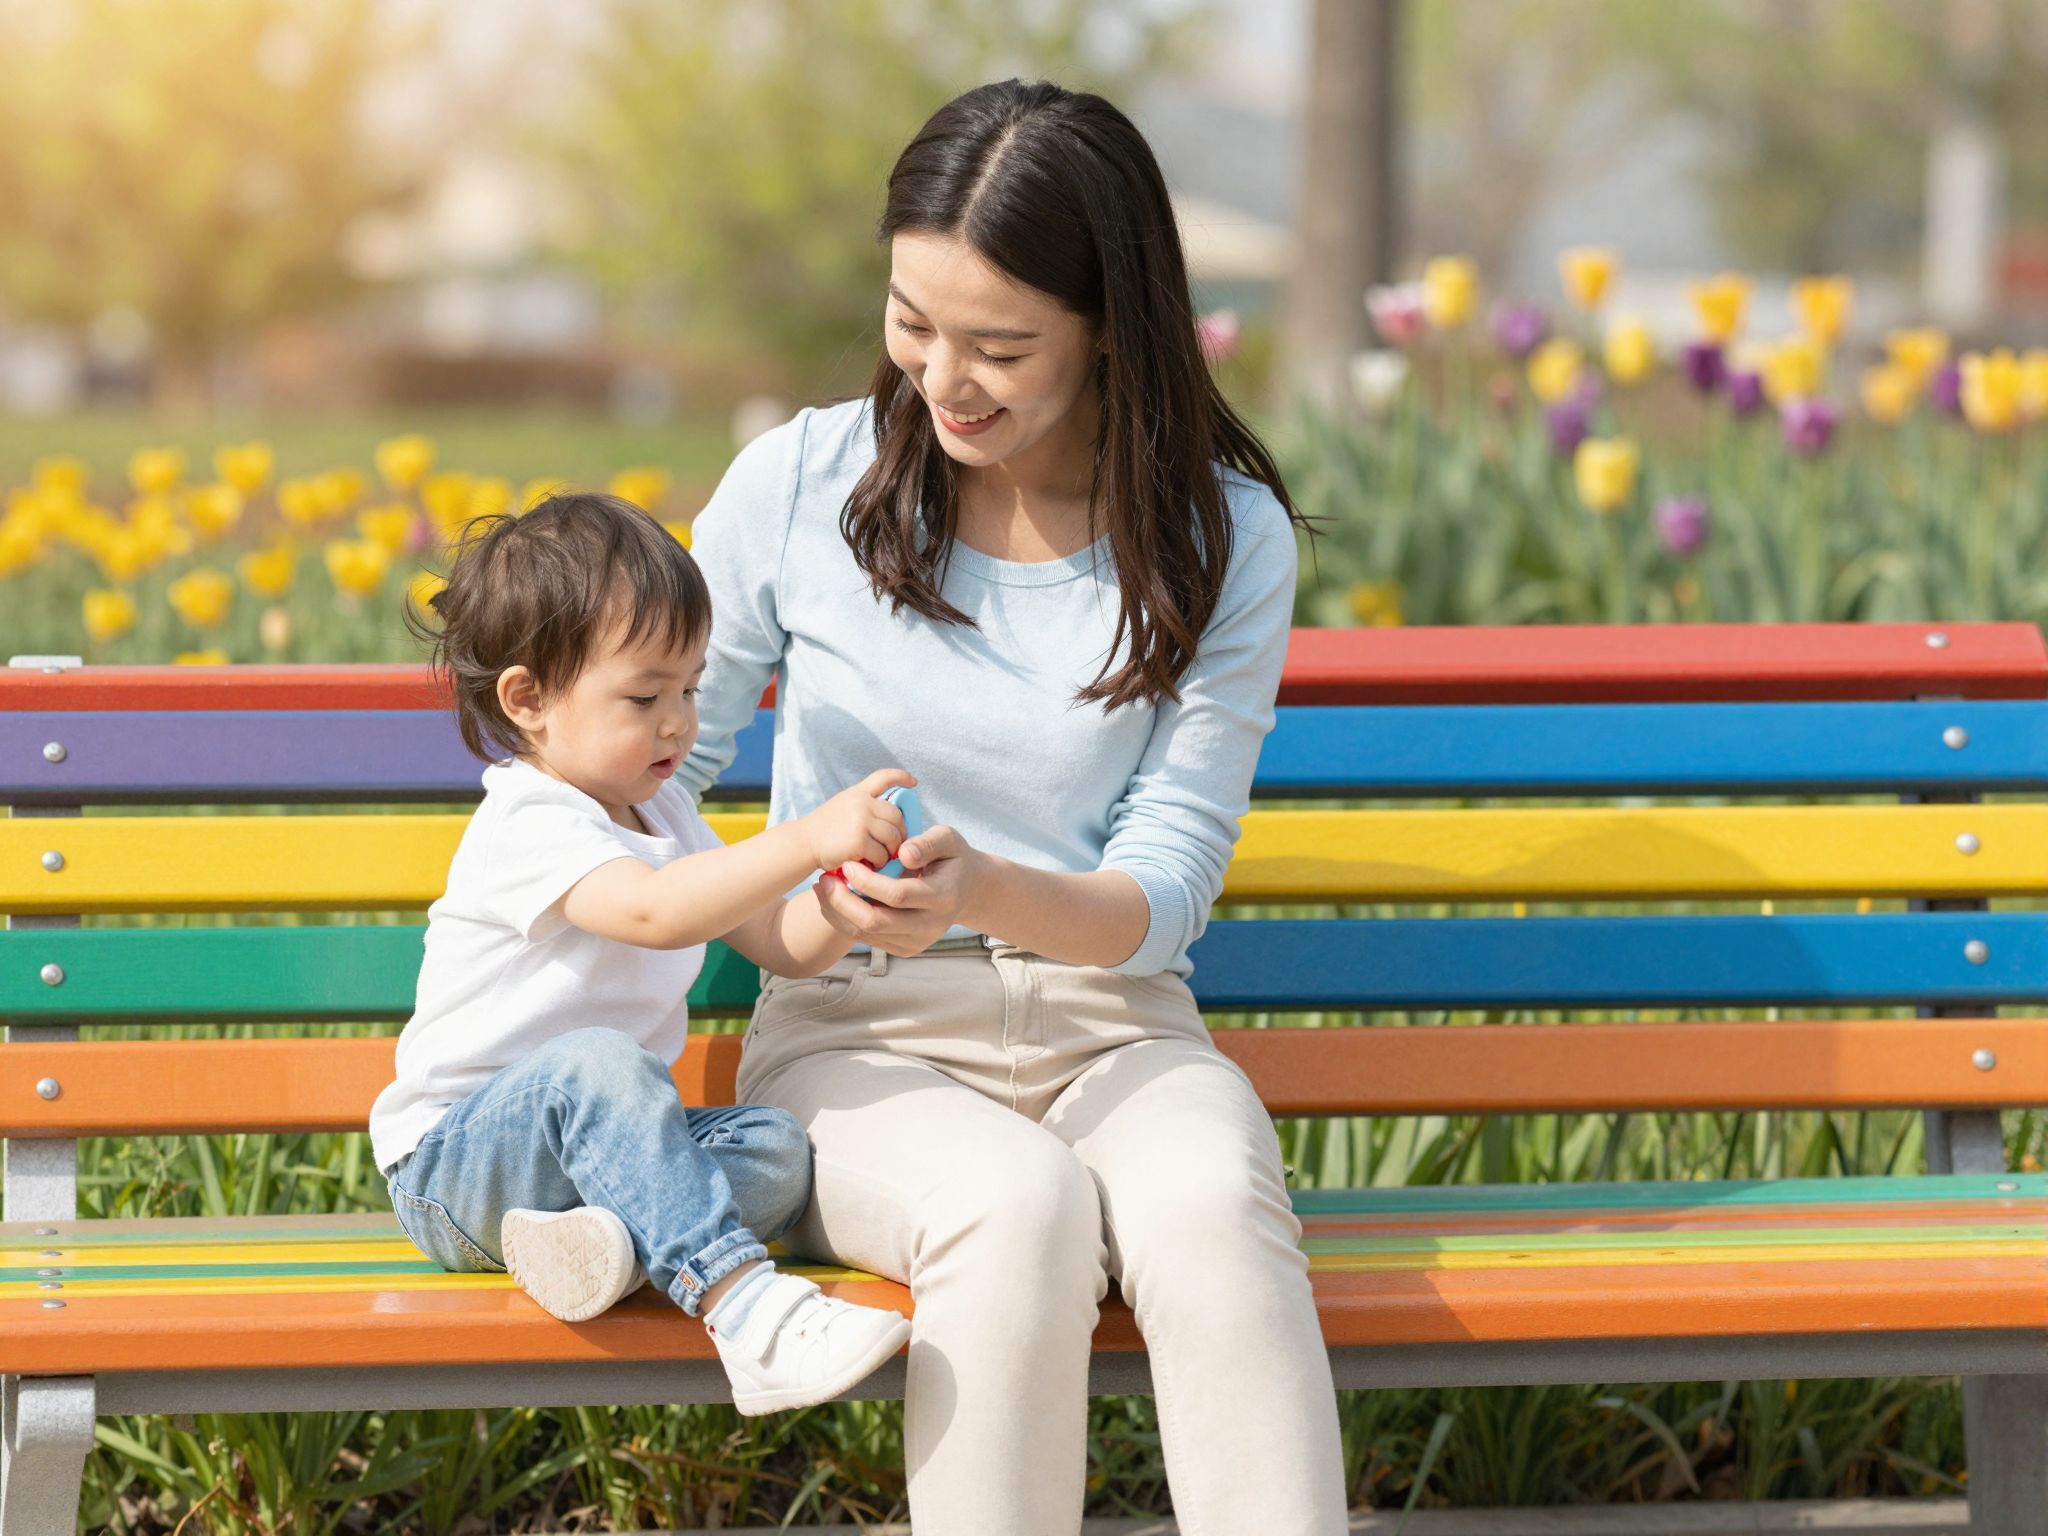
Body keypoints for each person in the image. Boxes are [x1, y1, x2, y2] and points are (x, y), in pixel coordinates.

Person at [683, 80, 1346, 1533]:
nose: (943, 377)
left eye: (1000, 346)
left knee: (1213, 1210)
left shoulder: (1221, 540)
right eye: (912, 322)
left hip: (1117, 1026)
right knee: (1017, 1206)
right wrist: (778, 904)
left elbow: (1166, 886)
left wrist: (978, 888)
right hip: (854, 1037)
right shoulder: (797, 485)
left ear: (1112, 322)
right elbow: (654, 777)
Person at [371, 491, 913, 1415]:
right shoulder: (529, 820)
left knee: (775, 1152)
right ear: (529, 699)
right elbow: (658, 914)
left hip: (590, 1160)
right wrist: (806, 838)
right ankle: (749, 1313)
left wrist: (842, 900)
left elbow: (774, 942)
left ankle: (607, 1247)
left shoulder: (663, 811)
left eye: (692, 689)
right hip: (457, 1166)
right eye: (645, 695)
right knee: (599, 1063)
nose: (679, 722)